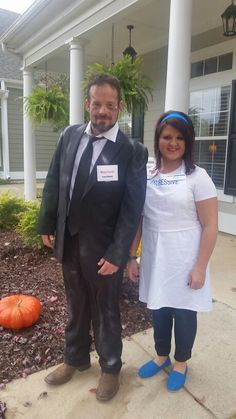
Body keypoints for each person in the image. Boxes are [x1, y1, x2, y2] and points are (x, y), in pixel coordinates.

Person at [38, 73, 148, 401]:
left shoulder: (131, 151)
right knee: (76, 304)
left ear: (119, 108)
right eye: (97, 104)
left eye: (110, 105)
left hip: (104, 249)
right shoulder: (68, 136)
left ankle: (111, 367)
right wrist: (47, 222)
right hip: (70, 242)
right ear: (88, 104)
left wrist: (119, 253)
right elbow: (55, 180)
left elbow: (132, 209)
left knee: (106, 310)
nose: (103, 111)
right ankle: (75, 358)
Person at [127, 110, 218, 392]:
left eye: (180, 137)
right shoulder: (149, 174)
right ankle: (161, 355)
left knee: (185, 311)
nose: (173, 142)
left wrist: (200, 266)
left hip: (186, 256)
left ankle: (181, 362)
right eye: (167, 137)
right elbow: (140, 220)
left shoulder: (197, 177)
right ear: (158, 140)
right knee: (159, 309)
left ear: (188, 142)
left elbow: (211, 225)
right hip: (156, 255)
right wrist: (132, 256)